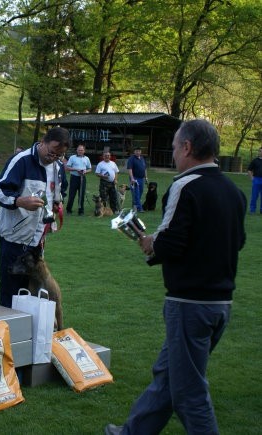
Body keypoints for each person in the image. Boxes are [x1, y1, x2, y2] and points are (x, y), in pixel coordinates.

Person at [105, 119, 247, 435]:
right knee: (169, 376)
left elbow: (170, 243)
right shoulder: (234, 192)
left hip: (189, 304)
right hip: (220, 304)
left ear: (187, 147)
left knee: (188, 393)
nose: (172, 155)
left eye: (173, 148)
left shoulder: (185, 186)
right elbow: (236, 242)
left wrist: (150, 243)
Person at [0, 127, 69, 308]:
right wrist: (19, 201)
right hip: (14, 238)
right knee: (12, 291)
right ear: (42, 141)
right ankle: (10, 331)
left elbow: (59, 190)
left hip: (38, 240)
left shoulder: (58, 167)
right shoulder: (21, 160)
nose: (53, 158)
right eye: (51, 152)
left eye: (59, 155)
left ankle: (30, 333)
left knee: (35, 292)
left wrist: (58, 203)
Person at [65, 144, 92, 216]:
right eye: (79, 150)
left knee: (81, 195)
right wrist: (76, 169)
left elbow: (90, 169)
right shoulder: (72, 157)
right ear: (76, 150)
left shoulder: (87, 158)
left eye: (82, 150)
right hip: (74, 177)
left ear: (84, 151)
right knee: (72, 195)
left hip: (83, 178)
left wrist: (85, 171)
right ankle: (69, 210)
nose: (80, 151)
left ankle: (81, 211)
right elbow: (67, 167)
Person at [126, 146, 148, 212]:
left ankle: (135, 206)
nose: (138, 152)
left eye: (139, 151)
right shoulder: (131, 159)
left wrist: (146, 177)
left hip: (141, 178)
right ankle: (140, 208)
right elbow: (130, 169)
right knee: (136, 193)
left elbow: (145, 168)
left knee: (140, 192)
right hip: (135, 178)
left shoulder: (142, 158)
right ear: (134, 151)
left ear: (141, 152)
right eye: (136, 151)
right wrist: (132, 178)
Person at [246, 147, 262, 215]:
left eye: (261, 151)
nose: (260, 152)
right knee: (254, 196)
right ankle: (252, 210)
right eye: (259, 151)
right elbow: (249, 170)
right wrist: (252, 178)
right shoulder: (255, 160)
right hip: (256, 179)